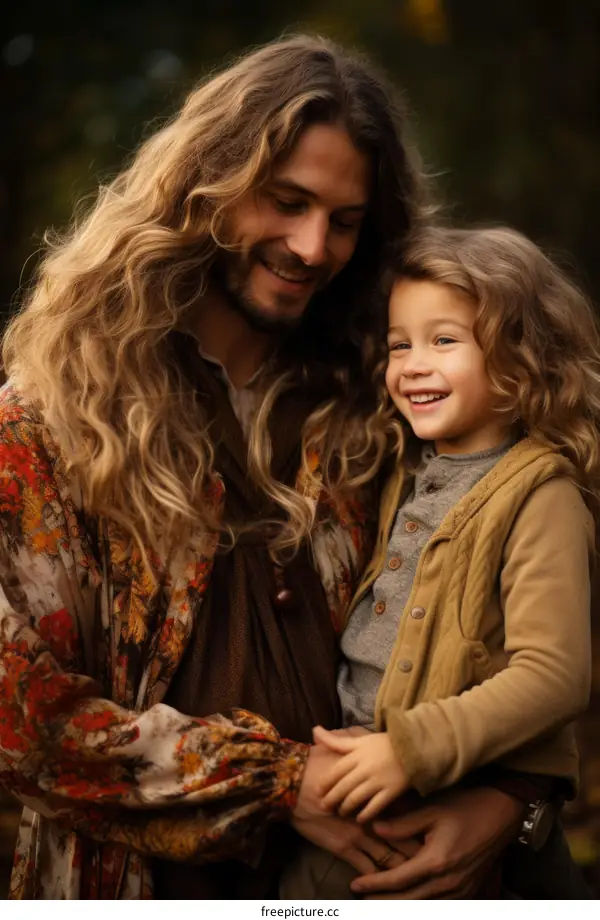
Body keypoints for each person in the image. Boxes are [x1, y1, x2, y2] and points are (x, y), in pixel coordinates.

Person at [0, 34, 585, 900]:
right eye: (286, 202)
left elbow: (514, 622)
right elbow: (18, 714)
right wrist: (277, 780)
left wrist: (515, 797)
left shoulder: (388, 401)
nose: (313, 247)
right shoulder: (50, 419)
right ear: (206, 186)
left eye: (345, 221)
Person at [281, 225, 598, 899]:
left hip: (450, 793)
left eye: (443, 341)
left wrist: (409, 748)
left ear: (522, 355)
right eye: (400, 345)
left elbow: (555, 675)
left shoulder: (543, 494)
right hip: (367, 789)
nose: (412, 364)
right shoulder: (405, 469)